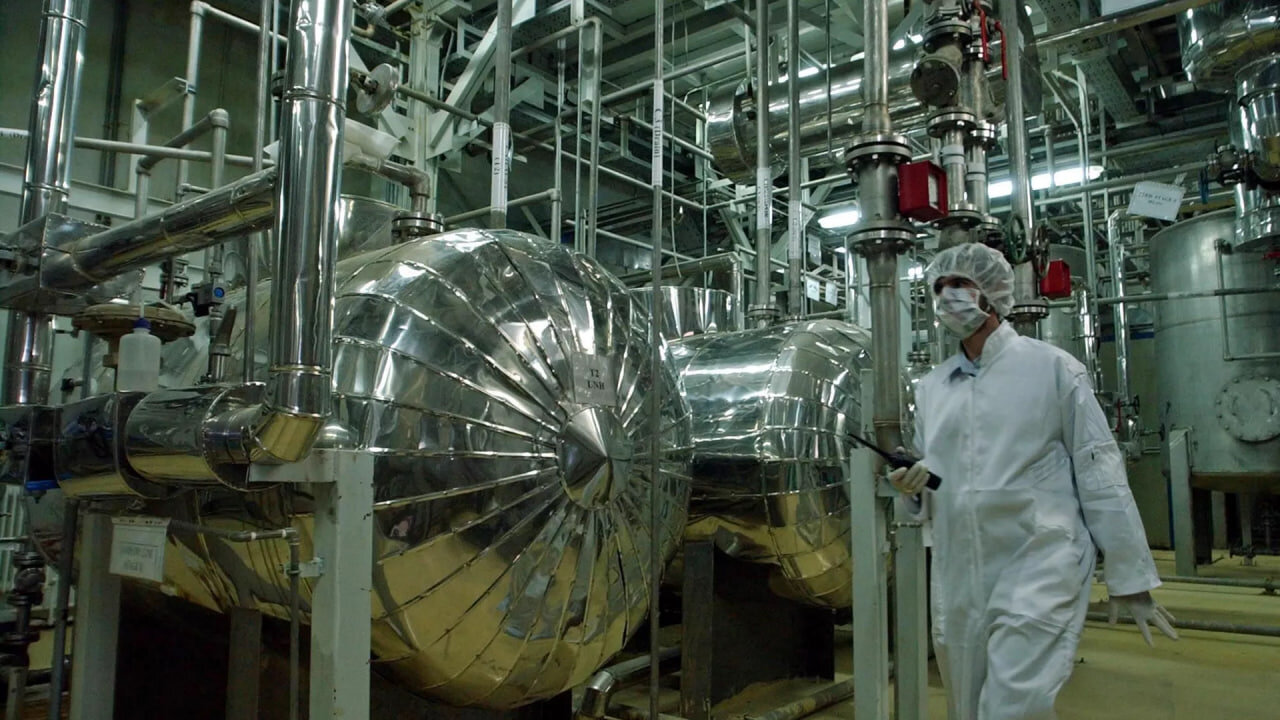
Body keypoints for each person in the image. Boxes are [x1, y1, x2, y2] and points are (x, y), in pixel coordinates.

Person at [889, 243, 1177, 720]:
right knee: (966, 704)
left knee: (1012, 705)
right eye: (939, 288)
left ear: (992, 293)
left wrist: (1129, 575)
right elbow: (934, 480)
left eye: (960, 284)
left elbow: (1099, 468)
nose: (947, 297)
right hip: (960, 570)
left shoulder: (1052, 368)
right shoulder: (933, 388)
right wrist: (912, 490)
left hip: (1039, 558)